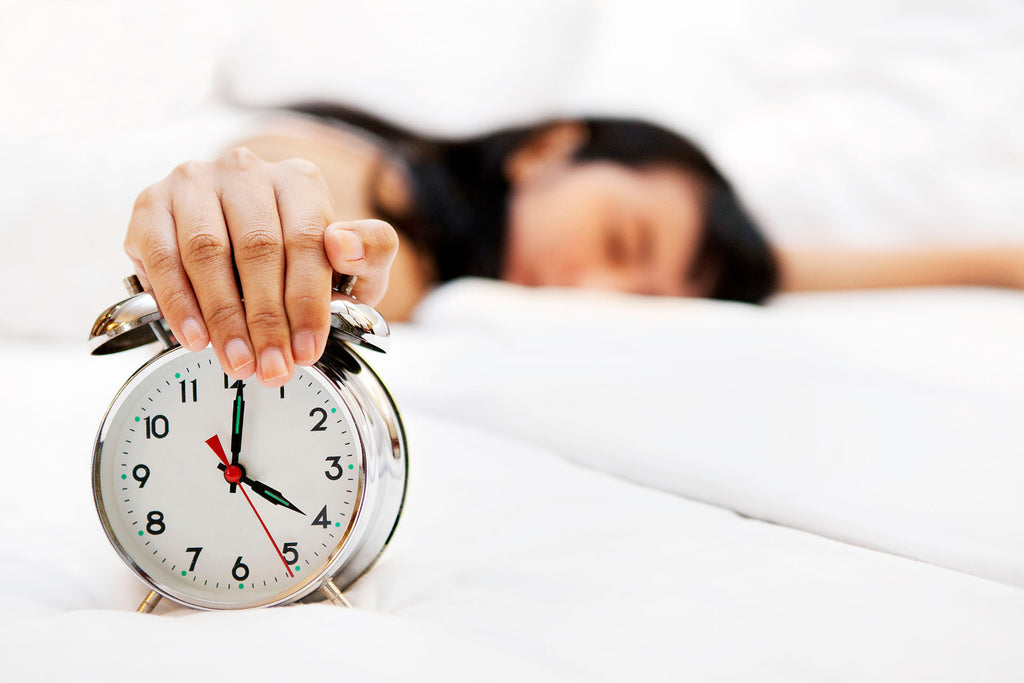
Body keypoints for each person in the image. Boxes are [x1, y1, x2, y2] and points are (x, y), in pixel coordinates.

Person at [123, 103, 1024, 389]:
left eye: (643, 299)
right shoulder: (379, 178)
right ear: (549, 147)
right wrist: (270, 212)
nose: (595, 288)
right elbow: (295, 185)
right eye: (623, 237)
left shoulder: (459, 286)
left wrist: (991, 262)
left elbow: (781, 274)